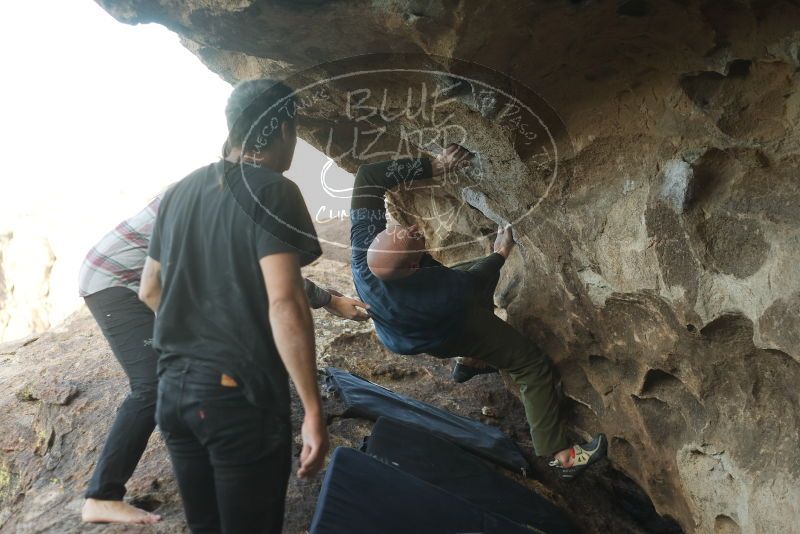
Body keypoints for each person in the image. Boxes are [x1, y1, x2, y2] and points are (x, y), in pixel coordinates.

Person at [80, 79, 365, 528]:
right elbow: (284, 300)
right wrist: (313, 411)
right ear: (287, 130)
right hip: (237, 399)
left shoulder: (179, 191)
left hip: (176, 398)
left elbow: (150, 290)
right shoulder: (272, 190)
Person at [349, 145, 606, 479]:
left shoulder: (363, 249)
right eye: (412, 239)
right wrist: (500, 253)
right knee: (531, 365)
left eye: (399, 230)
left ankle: (469, 363)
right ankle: (560, 456)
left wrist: (434, 165)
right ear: (414, 266)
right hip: (448, 327)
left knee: (470, 277)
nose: (412, 230)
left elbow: (368, 177)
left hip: (402, 330)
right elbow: (474, 281)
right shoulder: (442, 294)